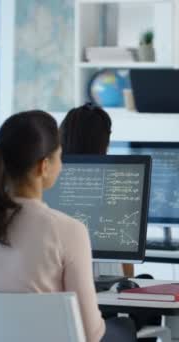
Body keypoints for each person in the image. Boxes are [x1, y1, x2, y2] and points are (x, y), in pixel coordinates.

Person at [0, 110, 136, 342]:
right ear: (44, 166)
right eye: (60, 156)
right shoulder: (69, 231)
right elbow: (90, 333)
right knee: (125, 326)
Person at [59, 103, 133, 278]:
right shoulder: (115, 182)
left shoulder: (49, 182)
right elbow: (126, 259)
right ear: (105, 143)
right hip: (107, 277)